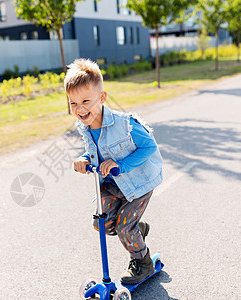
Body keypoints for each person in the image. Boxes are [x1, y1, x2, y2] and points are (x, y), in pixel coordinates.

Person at [65, 58, 163, 284]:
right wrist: (83, 159)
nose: (80, 109)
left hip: (138, 183)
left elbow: (149, 146)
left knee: (123, 228)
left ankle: (143, 262)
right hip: (113, 185)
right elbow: (94, 151)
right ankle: (135, 229)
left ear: (102, 97)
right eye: (73, 103)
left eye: (86, 101)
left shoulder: (125, 124)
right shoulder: (86, 127)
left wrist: (122, 165)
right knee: (102, 224)